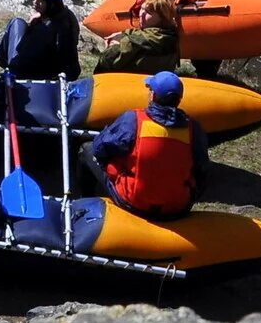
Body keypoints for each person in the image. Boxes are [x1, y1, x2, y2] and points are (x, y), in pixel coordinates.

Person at [84, 71, 209, 220]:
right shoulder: (193, 128)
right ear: (179, 99)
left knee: (86, 149)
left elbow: (100, 148)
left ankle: (86, 200)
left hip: (134, 203)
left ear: (153, 96)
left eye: (150, 90)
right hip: (177, 207)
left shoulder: (133, 120)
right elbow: (202, 167)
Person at [0, 0, 82, 82]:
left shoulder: (43, 31)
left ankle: (3, 61)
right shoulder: (69, 18)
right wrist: (43, 16)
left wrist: (32, 29)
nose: (35, 1)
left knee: (17, 23)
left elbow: (20, 64)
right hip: (57, 73)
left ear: (52, 4)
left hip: (31, 77)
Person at [93, 0, 182, 76]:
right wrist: (122, 34)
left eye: (148, 12)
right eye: (142, 9)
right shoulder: (172, 36)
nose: (141, 14)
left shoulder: (134, 42)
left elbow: (106, 62)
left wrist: (112, 46)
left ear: (163, 18)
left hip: (124, 83)